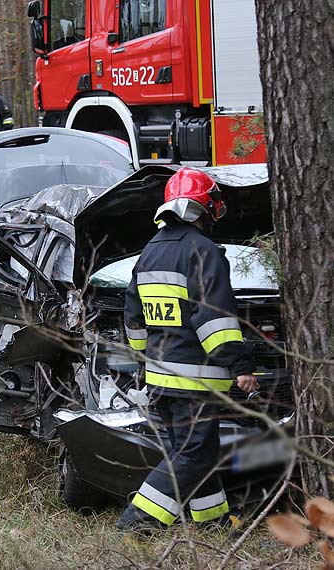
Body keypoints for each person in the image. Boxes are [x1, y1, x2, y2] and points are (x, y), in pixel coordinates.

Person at [118, 167, 259, 533]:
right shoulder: (204, 252)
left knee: (195, 452)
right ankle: (138, 521)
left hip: (160, 377)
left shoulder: (148, 253)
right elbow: (214, 320)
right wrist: (240, 365)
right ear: (206, 208)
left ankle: (212, 522)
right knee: (192, 453)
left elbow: (133, 317)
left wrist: (142, 359)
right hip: (195, 380)